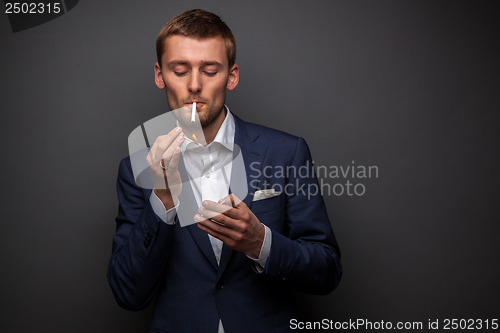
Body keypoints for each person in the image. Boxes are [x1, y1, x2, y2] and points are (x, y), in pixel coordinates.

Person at [108, 9, 342, 333]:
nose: (194, 85)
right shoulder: (135, 169)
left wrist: (261, 242)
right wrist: (161, 197)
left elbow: (327, 270)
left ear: (231, 77)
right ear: (160, 75)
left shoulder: (286, 153)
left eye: (209, 70)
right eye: (179, 70)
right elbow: (128, 293)